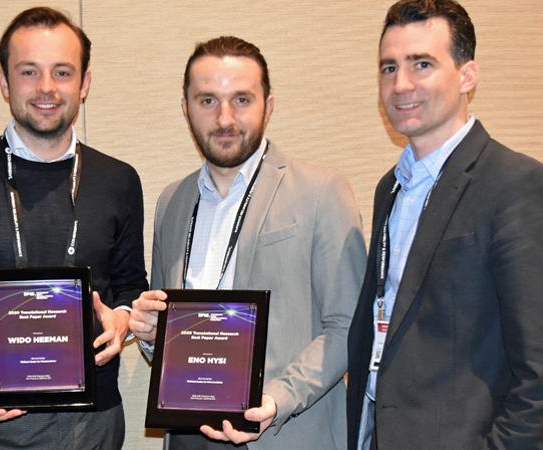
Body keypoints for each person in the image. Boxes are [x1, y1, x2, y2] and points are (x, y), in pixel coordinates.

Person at [0, 7, 148, 449]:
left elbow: (132, 286)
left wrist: (123, 320)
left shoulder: (119, 180)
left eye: (62, 71)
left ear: (85, 82)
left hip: (96, 424)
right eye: (28, 71)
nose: (46, 88)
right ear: (4, 81)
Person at [346, 1, 543, 449]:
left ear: (467, 75)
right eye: (389, 67)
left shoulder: (517, 185)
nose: (401, 84)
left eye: (422, 64)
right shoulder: (389, 189)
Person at [129, 36, 366, 449]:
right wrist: (151, 335)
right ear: (185, 109)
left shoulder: (321, 190)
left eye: (241, 99)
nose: (224, 118)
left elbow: (349, 325)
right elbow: (169, 333)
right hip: (188, 438)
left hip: (286, 433)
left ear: (268, 105)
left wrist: (276, 399)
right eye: (207, 101)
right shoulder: (172, 201)